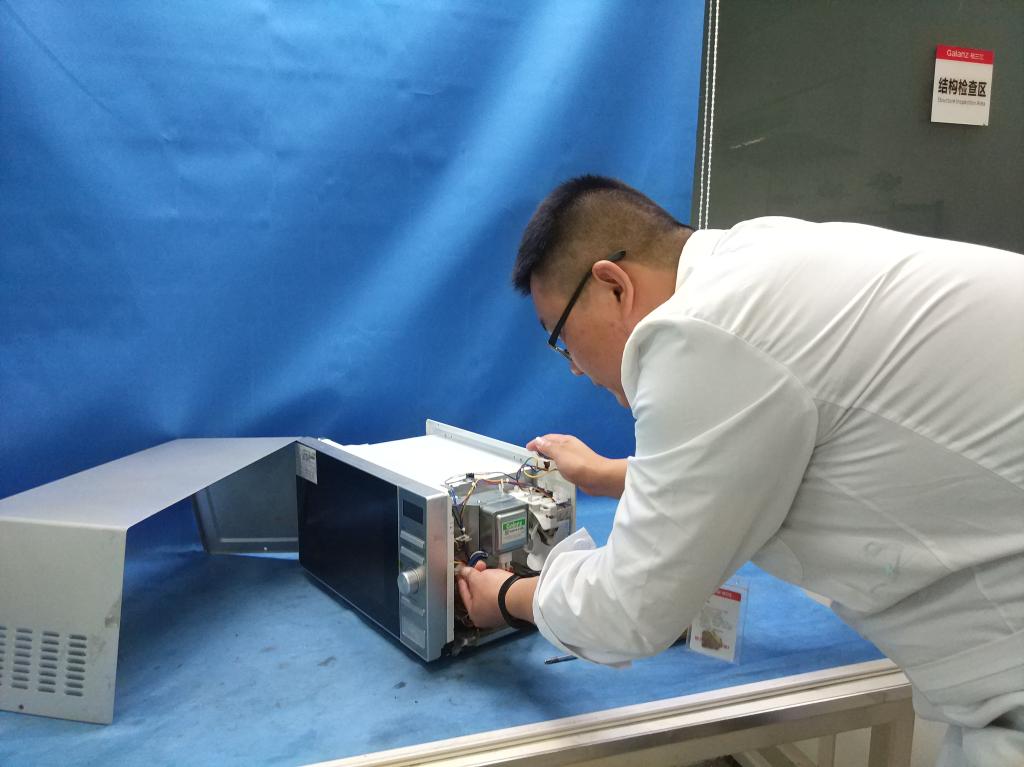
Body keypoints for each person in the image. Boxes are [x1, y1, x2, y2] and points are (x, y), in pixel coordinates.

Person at [456, 175, 1024, 766]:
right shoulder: (757, 258)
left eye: (562, 337)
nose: (573, 367)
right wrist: (616, 474)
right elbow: (774, 445)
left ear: (614, 285)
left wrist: (508, 595)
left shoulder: (697, 332)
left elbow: (628, 611)